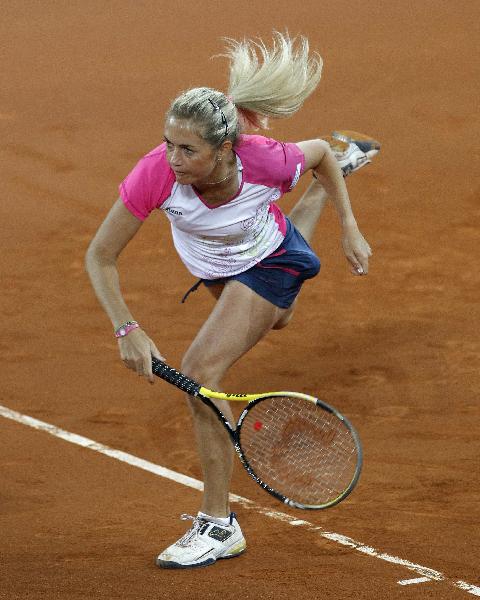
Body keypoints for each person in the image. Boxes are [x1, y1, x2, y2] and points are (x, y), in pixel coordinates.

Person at [85, 32, 377, 569]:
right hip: (222, 262)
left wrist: (350, 229)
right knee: (280, 320)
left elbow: (319, 154)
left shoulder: (265, 160)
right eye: (168, 143)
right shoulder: (155, 173)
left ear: (225, 150)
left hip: (269, 258)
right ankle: (306, 212)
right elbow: (100, 256)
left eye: (188, 149)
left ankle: (218, 525)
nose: (171, 158)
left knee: (201, 371)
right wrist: (127, 328)